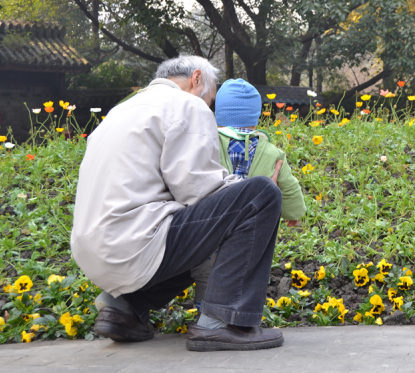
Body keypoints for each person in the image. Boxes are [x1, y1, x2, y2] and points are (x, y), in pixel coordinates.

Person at [72, 55, 285, 351]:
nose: (208, 108)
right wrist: (250, 189)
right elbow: (200, 189)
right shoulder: (187, 104)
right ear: (196, 79)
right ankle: (222, 322)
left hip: (94, 253)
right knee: (261, 195)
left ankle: (124, 307)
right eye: (210, 100)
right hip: (136, 243)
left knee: (189, 224)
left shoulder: (120, 111)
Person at [190, 79, 306, 310]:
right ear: (256, 117)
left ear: (218, 113)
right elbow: (288, 185)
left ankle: (204, 312)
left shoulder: (208, 141)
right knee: (242, 270)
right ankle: (232, 312)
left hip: (211, 224)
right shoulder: (272, 152)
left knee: (206, 271)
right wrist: (295, 212)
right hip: (248, 227)